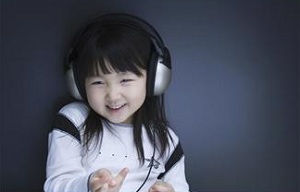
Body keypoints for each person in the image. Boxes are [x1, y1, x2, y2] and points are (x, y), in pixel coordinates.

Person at [44, 13, 189, 192]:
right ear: (79, 85)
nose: (112, 96)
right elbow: (55, 185)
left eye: (125, 80)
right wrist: (88, 186)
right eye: (98, 82)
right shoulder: (74, 120)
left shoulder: (166, 140)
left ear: (154, 79)